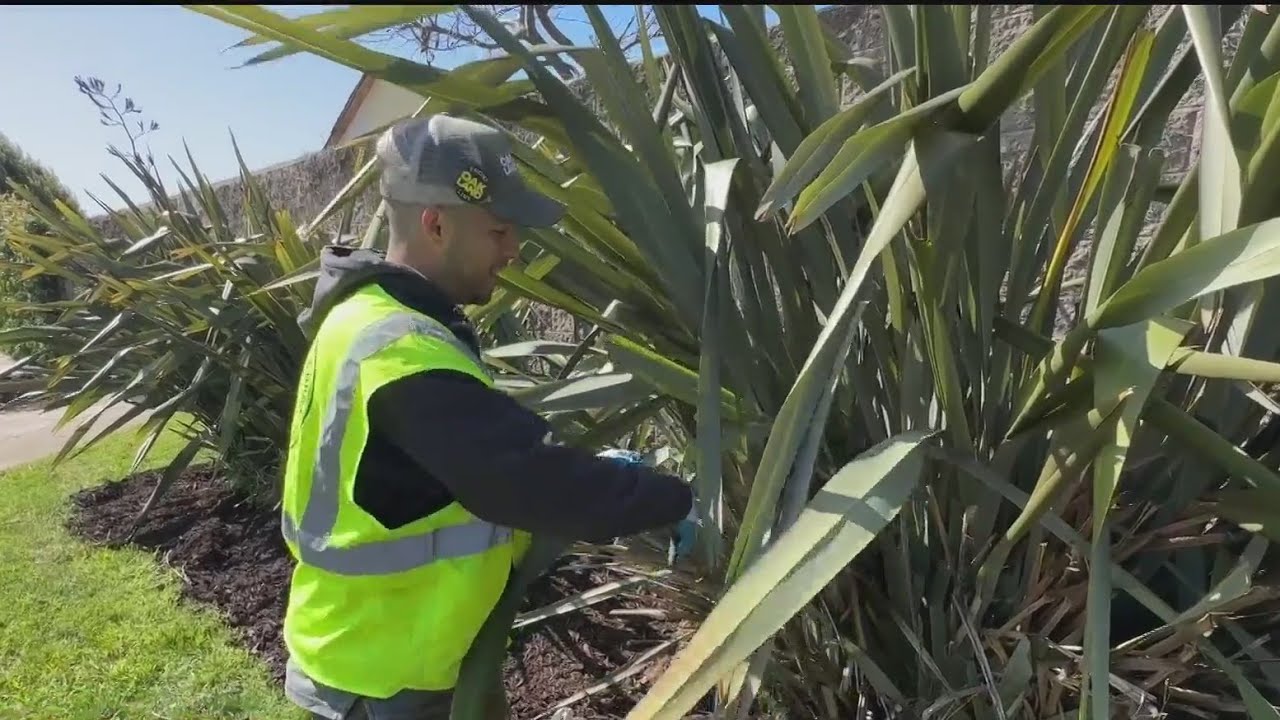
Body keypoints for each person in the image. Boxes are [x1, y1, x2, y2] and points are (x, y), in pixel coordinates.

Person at [279, 113, 697, 720]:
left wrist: (600, 469)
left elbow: (462, 463)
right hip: (388, 678)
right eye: (500, 231)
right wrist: (673, 500)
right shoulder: (398, 347)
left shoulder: (376, 320)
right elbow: (521, 482)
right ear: (437, 223)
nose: (514, 250)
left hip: (397, 655)